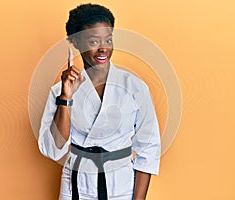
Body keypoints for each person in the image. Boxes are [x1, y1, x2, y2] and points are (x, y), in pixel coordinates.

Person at [38, 3, 161, 200]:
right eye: (94, 42)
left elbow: (149, 149)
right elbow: (53, 150)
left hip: (121, 185)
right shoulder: (59, 91)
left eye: (108, 40)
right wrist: (66, 97)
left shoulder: (135, 87)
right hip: (75, 185)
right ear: (76, 42)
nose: (103, 49)